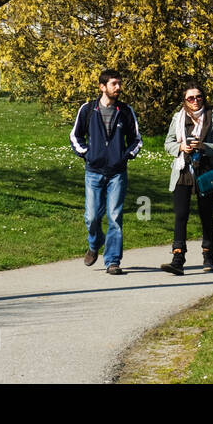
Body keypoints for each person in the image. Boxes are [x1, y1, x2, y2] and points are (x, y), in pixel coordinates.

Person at [70, 68, 142, 275]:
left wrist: (124, 156)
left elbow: (136, 139)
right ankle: (95, 243)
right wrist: (87, 153)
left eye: (119, 83)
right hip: (93, 171)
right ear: (102, 87)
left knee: (115, 216)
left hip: (117, 173)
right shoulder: (88, 109)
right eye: (114, 84)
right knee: (92, 217)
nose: (118, 87)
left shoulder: (126, 111)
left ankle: (112, 261)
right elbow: (75, 136)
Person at [160, 79, 213, 275]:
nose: (195, 101)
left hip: (206, 172)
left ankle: (208, 256)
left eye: (198, 97)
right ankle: (178, 258)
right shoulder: (178, 118)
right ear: (185, 100)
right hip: (183, 171)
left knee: (206, 215)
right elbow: (168, 143)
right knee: (181, 215)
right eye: (191, 98)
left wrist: (203, 146)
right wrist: (181, 147)